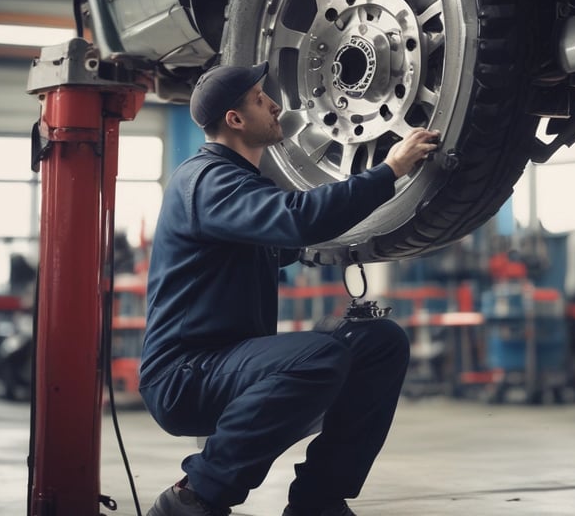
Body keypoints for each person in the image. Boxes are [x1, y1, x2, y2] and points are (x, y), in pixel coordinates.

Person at [139, 61, 440, 516]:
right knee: (320, 357)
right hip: (186, 375)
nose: (275, 105)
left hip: (231, 363)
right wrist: (388, 170)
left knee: (380, 342)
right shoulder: (206, 180)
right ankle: (195, 495)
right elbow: (298, 217)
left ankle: (317, 500)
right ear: (235, 119)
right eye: (261, 99)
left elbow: (294, 238)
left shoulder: (242, 187)